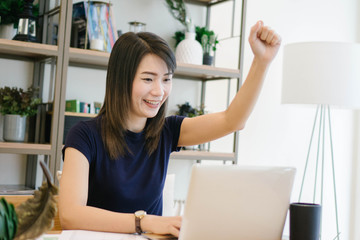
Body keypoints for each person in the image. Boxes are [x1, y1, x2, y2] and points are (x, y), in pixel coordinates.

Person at [59, 20, 281, 237]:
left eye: (166, 79)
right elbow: (70, 214)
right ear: (121, 81)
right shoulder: (83, 135)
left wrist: (261, 62)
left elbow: (232, 121)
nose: (159, 91)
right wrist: (145, 222)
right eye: (148, 79)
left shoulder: (167, 131)